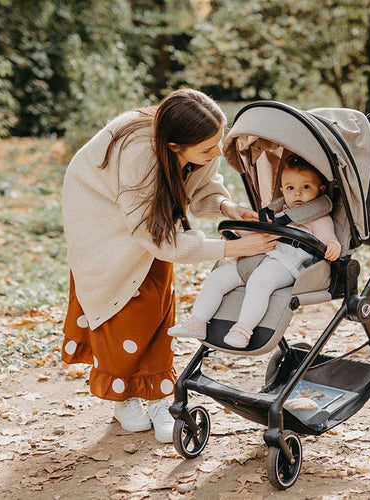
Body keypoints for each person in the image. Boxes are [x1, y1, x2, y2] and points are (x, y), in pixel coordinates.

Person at [61, 89, 278, 443]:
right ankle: (125, 393)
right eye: (208, 149)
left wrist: (226, 207)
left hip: (145, 217)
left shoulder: (200, 143)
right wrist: (234, 247)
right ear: (175, 146)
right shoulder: (139, 157)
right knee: (121, 297)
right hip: (101, 211)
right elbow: (161, 242)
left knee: (156, 298)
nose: (216, 153)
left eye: (218, 143)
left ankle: (159, 393)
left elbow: (204, 188)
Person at [168, 154, 341, 348]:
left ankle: (243, 329)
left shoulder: (318, 217)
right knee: (220, 275)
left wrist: (333, 245)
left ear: (321, 189)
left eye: (306, 187)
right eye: (291, 188)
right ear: (283, 190)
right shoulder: (278, 213)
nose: (298, 193)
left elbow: (327, 238)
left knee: (260, 281)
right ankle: (197, 321)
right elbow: (258, 230)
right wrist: (237, 233)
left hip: (285, 263)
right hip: (256, 256)